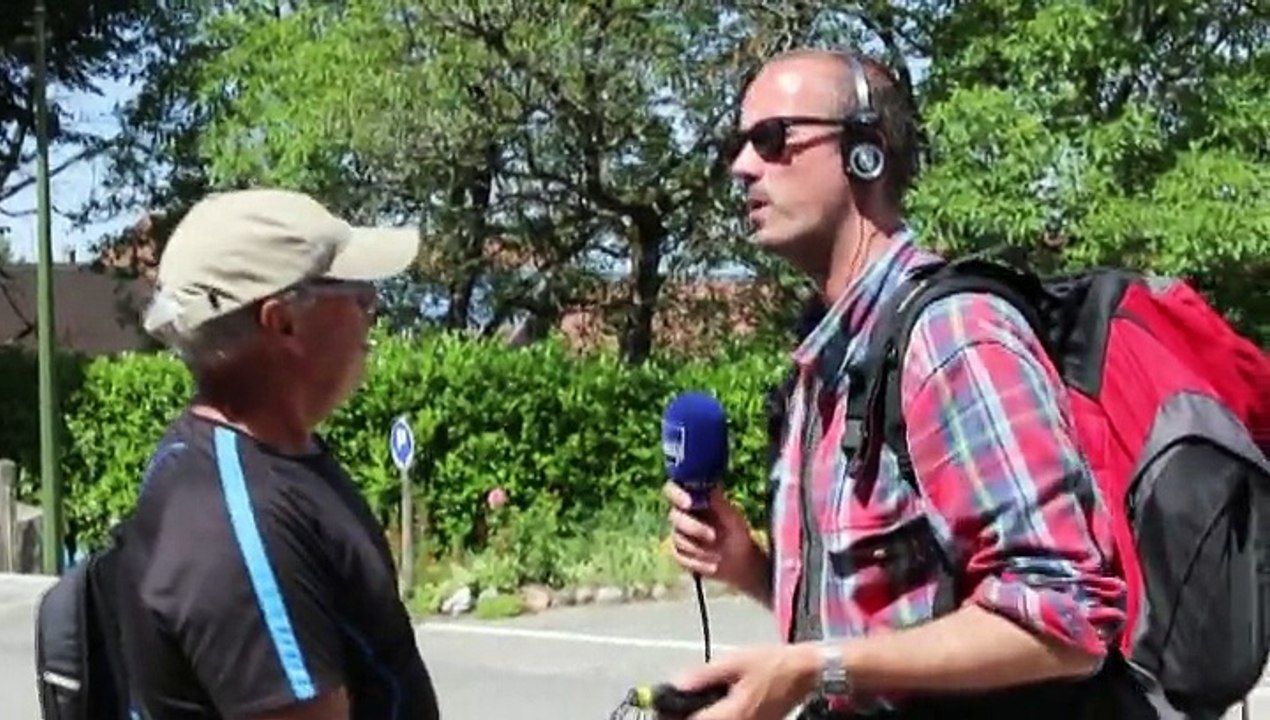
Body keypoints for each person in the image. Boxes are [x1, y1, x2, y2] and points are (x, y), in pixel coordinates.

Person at [663, 49, 1129, 719]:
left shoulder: (954, 337)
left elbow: (1066, 619)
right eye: (738, 143)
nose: (742, 166)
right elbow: (877, 622)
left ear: (866, 154)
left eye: (773, 138)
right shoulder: (822, 364)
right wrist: (753, 570)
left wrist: (809, 670)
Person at [112, 188, 442, 719]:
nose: (371, 308)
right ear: (282, 321)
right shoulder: (235, 524)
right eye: (356, 291)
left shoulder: (271, 459)